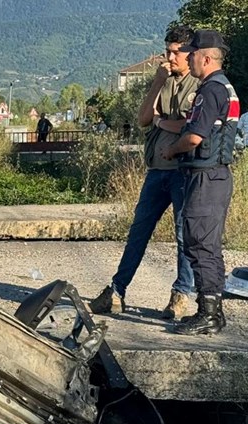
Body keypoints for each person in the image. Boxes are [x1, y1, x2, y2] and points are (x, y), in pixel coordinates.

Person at [88, 24, 200, 320]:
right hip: (156, 170)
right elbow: (142, 118)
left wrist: (163, 122)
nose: (169, 58)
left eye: (175, 53)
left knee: (182, 234)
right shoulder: (163, 79)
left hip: (183, 170)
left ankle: (180, 294)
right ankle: (116, 291)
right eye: (167, 52)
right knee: (138, 232)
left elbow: (191, 127)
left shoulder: (199, 85)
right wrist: (157, 83)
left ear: (190, 54)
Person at [159, 29, 239, 335]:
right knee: (209, 245)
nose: (187, 58)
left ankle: (207, 314)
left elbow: (194, 136)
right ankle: (213, 310)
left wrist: (171, 149)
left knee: (199, 243)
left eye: (191, 54)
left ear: (205, 58)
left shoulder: (210, 90)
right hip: (216, 176)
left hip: (205, 177)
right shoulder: (226, 87)